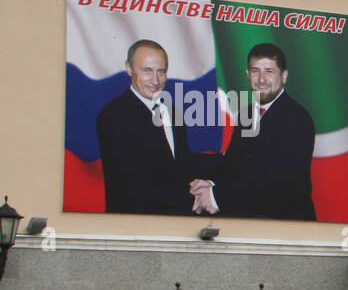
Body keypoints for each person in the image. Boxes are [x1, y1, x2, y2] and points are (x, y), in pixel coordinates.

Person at [191, 43, 316, 220]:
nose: (261, 79)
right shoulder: (246, 114)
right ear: (247, 74)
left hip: (286, 228)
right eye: (255, 71)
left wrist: (214, 196)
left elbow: (277, 184)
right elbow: (233, 165)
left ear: (284, 76)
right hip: (250, 224)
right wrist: (208, 183)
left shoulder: (297, 119)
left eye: (269, 71)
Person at [96, 39, 216, 215]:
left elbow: (181, 162)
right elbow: (132, 184)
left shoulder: (172, 112)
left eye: (161, 72)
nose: (155, 80)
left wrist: (228, 162)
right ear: (129, 68)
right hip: (134, 226)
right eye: (147, 71)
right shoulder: (114, 115)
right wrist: (195, 198)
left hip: (177, 224)